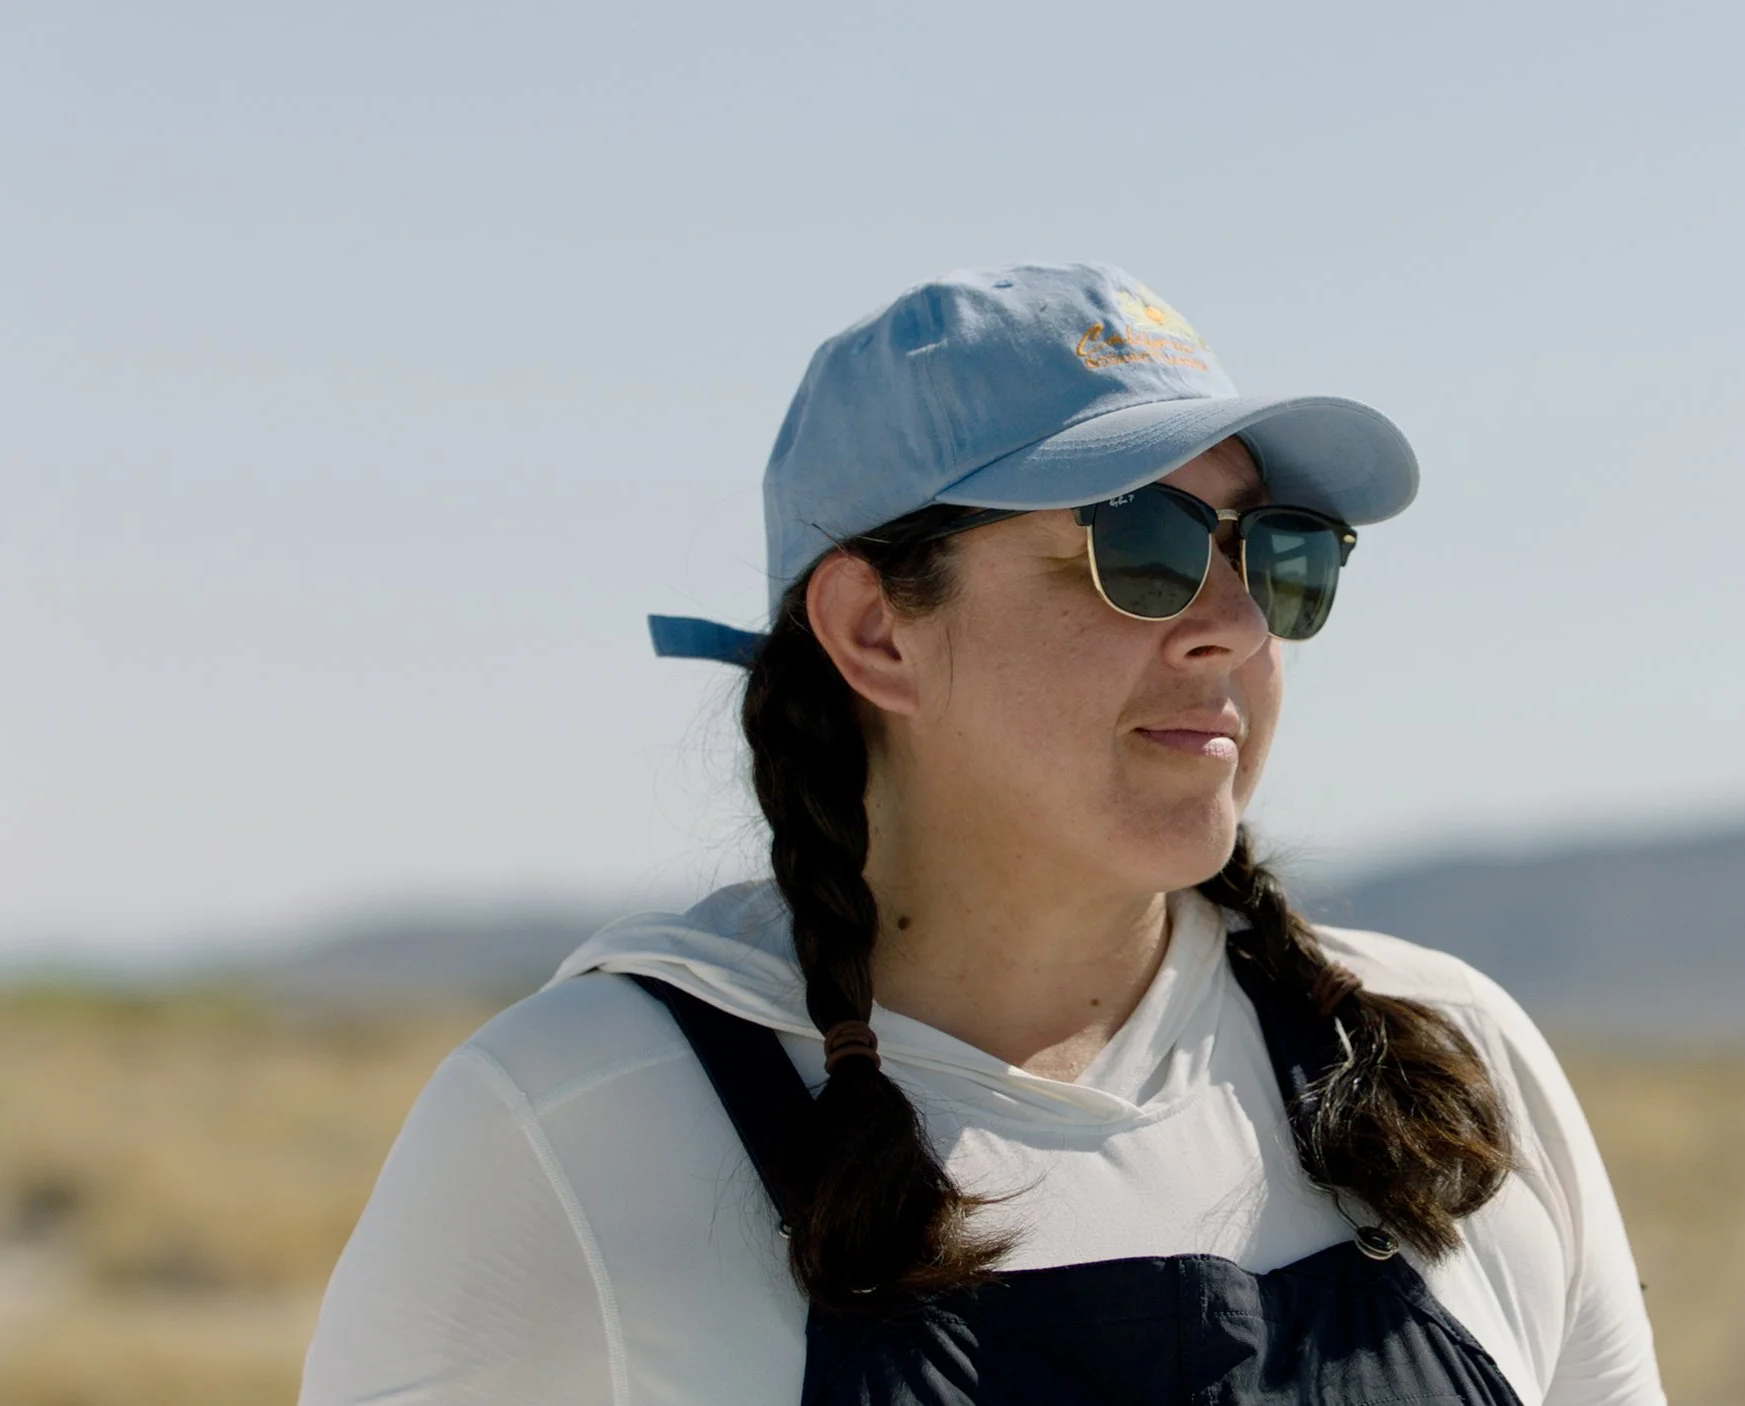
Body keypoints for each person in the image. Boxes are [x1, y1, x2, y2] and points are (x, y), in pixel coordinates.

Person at [299, 263, 1666, 1405]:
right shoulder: (574, 1123)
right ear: (874, 629)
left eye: (1277, 551)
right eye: (1140, 546)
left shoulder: (1448, 1071)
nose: (1234, 622)